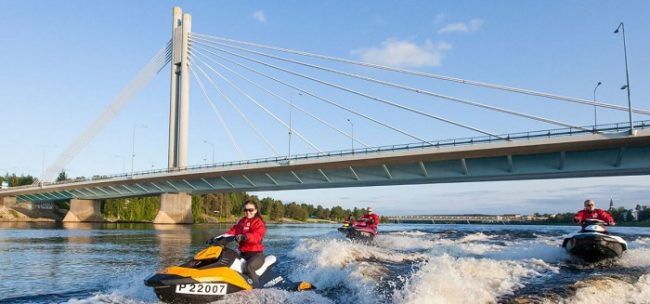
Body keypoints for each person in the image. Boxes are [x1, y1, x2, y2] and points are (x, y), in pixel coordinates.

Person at [223, 199, 266, 286]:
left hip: (256, 255)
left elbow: (257, 236)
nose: (248, 212)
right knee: (229, 262)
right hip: (243, 254)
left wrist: (245, 236)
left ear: (255, 211)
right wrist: (218, 238)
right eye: (246, 210)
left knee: (248, 266)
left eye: (251, 210)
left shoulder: (259, 223)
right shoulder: (241, 222)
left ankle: (257, 289)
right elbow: (232, 232)